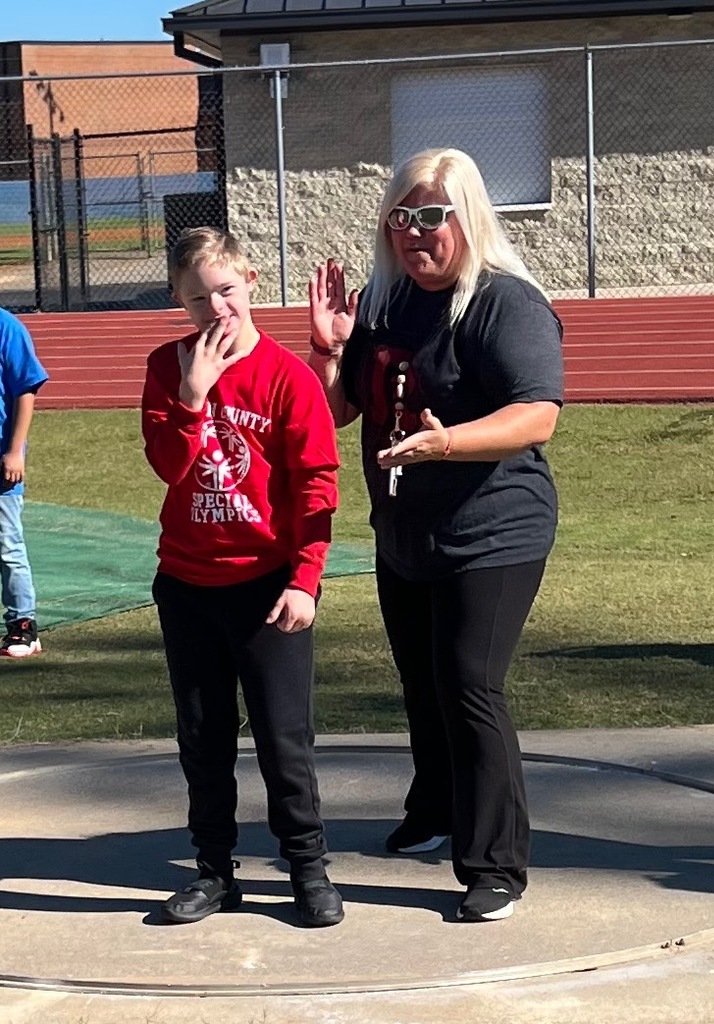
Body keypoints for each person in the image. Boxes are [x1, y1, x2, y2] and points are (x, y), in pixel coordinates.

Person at [308, 148, 563, 923]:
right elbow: (336, 414)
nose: (415, 234)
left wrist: (445, 441)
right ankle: (436, 807)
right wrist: (326, 350)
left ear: (468, 219)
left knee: (468, 684)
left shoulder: (503, 303)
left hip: (495, 531)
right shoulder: (385, 304)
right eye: (402, 218)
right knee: (422, 684)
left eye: (432, 217)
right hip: (404, 530)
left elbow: (537, 414)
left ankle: (496, 864)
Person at [142, 227, 344, 928]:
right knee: (203, 737)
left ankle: (308, 867)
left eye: (226, 290)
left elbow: (318, 485)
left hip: (267, 586)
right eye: (197, 299)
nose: (216, 309)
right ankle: (214, 871)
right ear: (179, 301)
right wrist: (193, 397)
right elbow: (169, 467)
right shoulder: (168, 367)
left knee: (284, 737)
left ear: (252, 282)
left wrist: (305, 581)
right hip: (189, 584)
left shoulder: (287, 377)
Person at [0, 308, 48, 659]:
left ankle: (23, 624)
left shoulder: (6, 327)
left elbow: (25, 389)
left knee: (7, 546)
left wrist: (16, 450)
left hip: (1, 458)